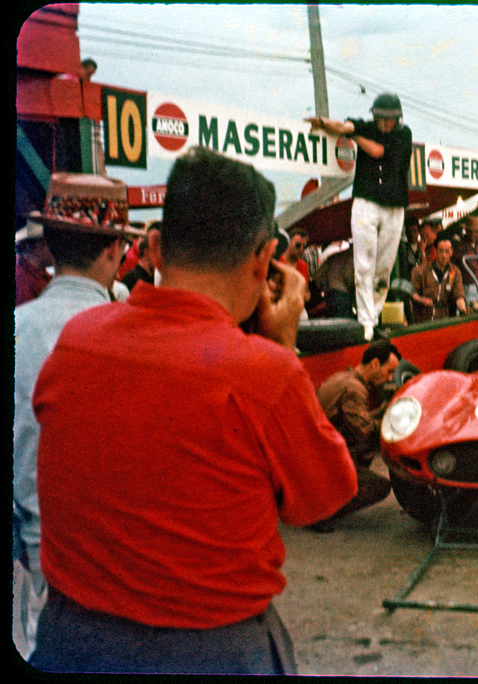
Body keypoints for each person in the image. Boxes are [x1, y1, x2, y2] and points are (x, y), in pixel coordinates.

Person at [28, 148, 357, 674]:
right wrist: (283, 348)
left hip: (71, 640)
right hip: (213, 652)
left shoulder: (76, 341)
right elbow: (324, 498)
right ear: (265, 256)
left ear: (154, 247)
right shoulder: (264, 374)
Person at [13, 174, 142, 661]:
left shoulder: (18, 329)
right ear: (115, 252)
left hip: (32, 551)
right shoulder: (133, 336)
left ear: (48, 245)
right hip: (116, 563)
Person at [307, 93, 412, 340]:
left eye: (390, 119)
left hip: (393, 206)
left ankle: (372, 318)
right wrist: (322, 123)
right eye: (382, 119)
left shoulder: (403, 134)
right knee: (364, 264)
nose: (385, 123)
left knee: (383, 268)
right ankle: (366, 323)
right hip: (366, 201)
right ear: (375, 116)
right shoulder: (365, 126)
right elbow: (343, 126)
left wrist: (353, 135)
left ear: (397, 119)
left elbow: (377, 151)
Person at [311, 340, 402, 531]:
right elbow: (366, 429)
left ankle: (322, 495)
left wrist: (383, 409)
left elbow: (358, 418)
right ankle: (320, 513)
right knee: (381, 487)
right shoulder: (354, 389)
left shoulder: (342, 378)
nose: (389, 378)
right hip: (318, 461)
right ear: (375, 364)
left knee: (363, 450)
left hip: (312, 454)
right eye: (389, 371)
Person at [411, 234, 467, 323]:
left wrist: (463, 309)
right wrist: (421, 299)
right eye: (441, 251)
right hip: (423, 322)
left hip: (444, 321)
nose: (444, 255)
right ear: (436, 251)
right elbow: (412, 293)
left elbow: (459, 295)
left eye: (447, 251)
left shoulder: (455, 272)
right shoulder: (421, 271)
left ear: (451, 252)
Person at [14, 218, 53, 306]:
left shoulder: (41, 273)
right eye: (53, 245)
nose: (57, 251)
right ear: (40, 246)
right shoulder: (22, 282)